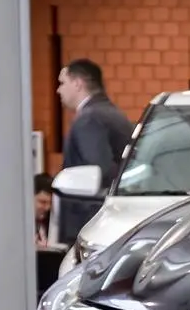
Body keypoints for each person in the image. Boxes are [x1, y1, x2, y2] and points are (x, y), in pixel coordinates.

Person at [55, 58, 132, 241]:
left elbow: (100, 172)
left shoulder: (89, 119)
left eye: (62, 83)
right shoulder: (112, 113)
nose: (58, 90)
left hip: (90, 224)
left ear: (77, 83)